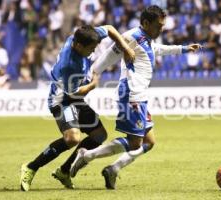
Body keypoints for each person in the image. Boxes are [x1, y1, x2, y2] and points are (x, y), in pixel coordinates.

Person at [70, 5, 202, 190]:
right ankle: (87, 155)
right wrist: (94, 72)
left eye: (162, 26)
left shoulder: (146, 39)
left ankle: (112, 169)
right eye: (158, 26)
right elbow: (110, 55)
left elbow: (158, 49)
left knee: (149, 142)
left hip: (139, 96)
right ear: (146, 23)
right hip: (132, 95)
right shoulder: (131, 36)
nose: (161, 29)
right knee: (135, 143)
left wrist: (184, 48)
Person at [20, 25, 135, 191]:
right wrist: (94, 84)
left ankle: (64, 171)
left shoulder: (81, 38)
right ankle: (31, 167)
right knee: (72, 138)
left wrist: (125, 48)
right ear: (79, 46)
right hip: (62, 99)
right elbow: (74, 95)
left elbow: (109, 28)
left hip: (73, 96)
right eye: (91, 49)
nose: (93, 51)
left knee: (99, 135)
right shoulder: (70, 65)